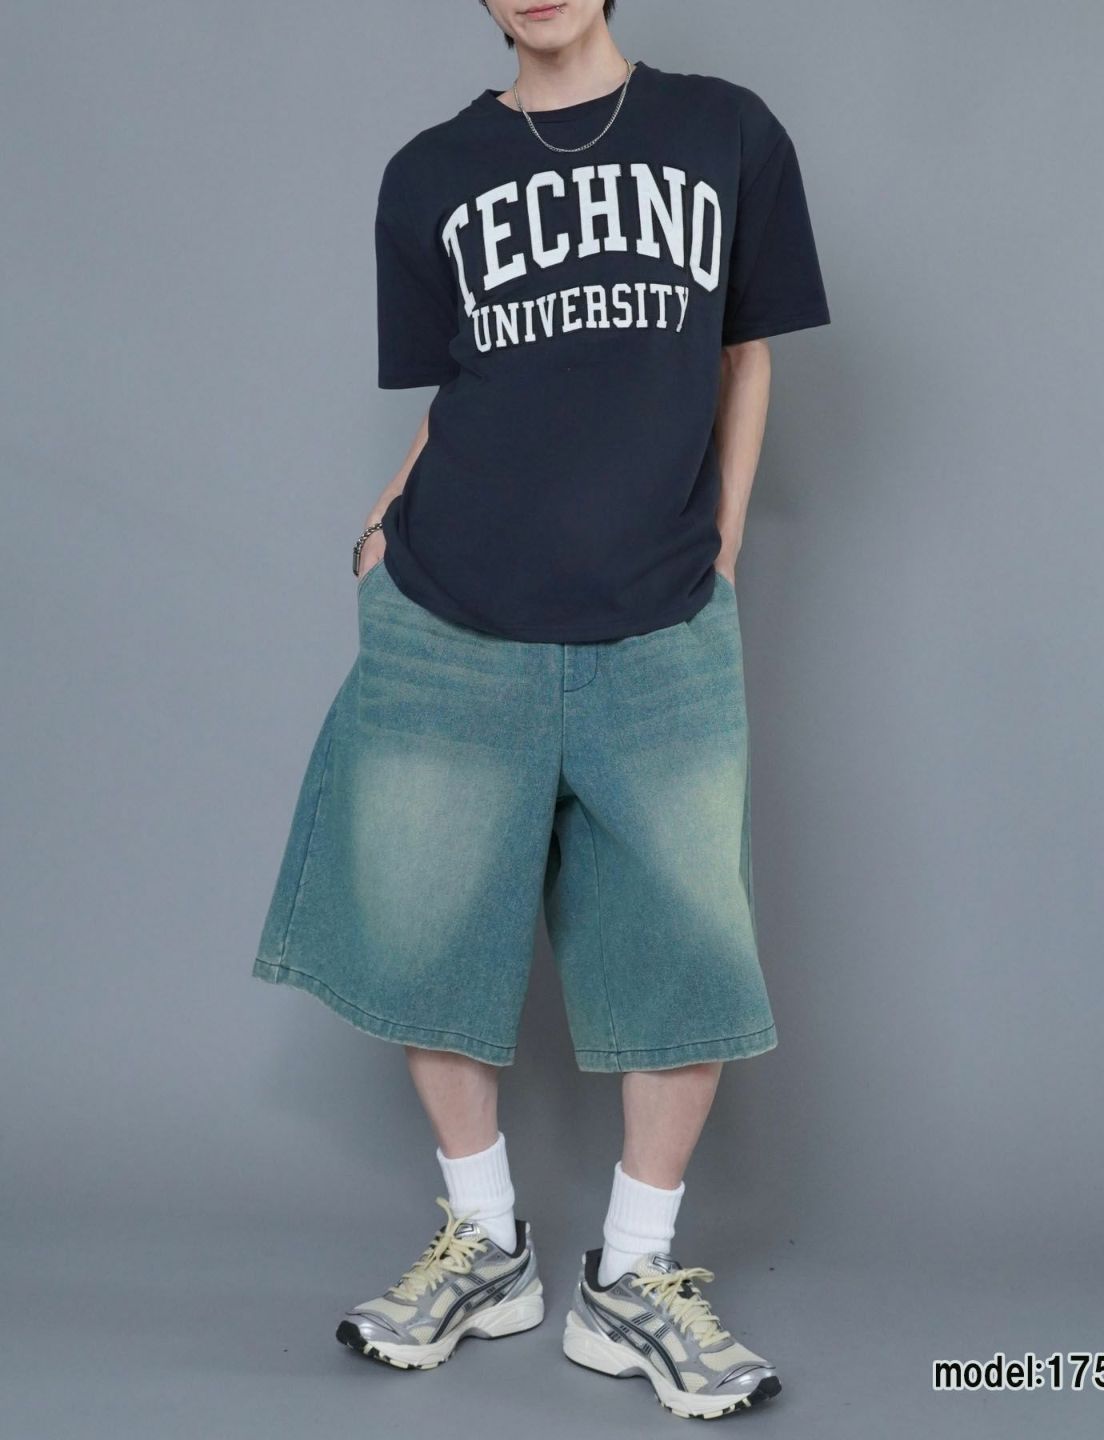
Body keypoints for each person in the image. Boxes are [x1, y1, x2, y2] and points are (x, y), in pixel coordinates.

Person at [252, 0, 829, 1419]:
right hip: (451, 611)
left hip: (660, 617)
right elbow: (470, 386)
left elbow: (746, 350)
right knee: (424, 929)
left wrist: (723, 549)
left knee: (685, 952)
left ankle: (633, 1278)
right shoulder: (430, 173)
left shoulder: (726, 133)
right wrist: (380, 530)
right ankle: (484, 1244)